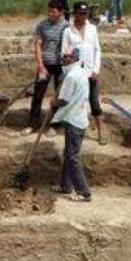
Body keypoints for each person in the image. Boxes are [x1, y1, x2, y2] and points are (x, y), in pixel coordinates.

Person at [60, 1, 107, 145]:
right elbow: (64, 55)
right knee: (76, 105)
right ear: (75, 14)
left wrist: (96, 70)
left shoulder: (92, 29)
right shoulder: (68, 31)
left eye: (86, 14)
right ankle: (75, 134)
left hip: (90, 74)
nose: (84, 16)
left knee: (95, 104)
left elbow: (97, 50)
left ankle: (101, 133)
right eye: (81, 14)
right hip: (76, 74)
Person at [52, 48, 93, 202]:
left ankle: (84, 192)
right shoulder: (81, 72)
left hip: (74, 120)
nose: (62, 58)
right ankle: (65, 186)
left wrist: (54, 102)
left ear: (72, 58)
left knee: (72, 157)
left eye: (66, 56)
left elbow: (64, 100)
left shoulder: (71, 76)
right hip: (80, 119)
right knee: (69, 154)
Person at [25, 1, 70, 137]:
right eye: (49, 11)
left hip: (61, 66)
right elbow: (38, 46)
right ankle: (33, 124)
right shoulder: (42, 26)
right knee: (38, 95)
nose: (50, 14)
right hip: (45, 65)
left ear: (61, 12)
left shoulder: (67, 27)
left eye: (53, 11)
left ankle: (55, 126)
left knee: (59, 96)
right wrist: (41, 67)